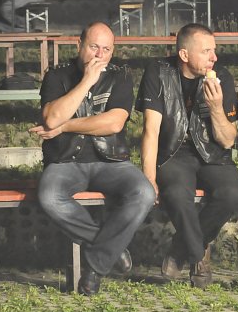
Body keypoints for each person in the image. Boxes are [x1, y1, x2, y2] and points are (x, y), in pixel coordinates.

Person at [30, 21, 155, 296]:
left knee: (144, 192)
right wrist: (87, 80)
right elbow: (51, 117)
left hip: (111, 161)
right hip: (65, 162)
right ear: (79, 45)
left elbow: (114, 123)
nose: (100, 55)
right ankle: (112, 249)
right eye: (94, 47)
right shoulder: (57, 75)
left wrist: (64, 126)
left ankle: (96, 265)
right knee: (49, 197)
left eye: (106, 49)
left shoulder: (121, 75)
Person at [136, 23, 238, 289]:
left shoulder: (222, 77)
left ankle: (180, 248)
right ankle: (198, 255)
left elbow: (228, 139)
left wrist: (216, 108)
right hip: (173, 152)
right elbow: (151, 130)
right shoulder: (159, 72)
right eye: (206, 51)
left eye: (214, 50)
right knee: (176, 194)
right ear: (184, 55)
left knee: (233, 193)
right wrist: (149, 177)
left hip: (212, 153)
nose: (214, 57)